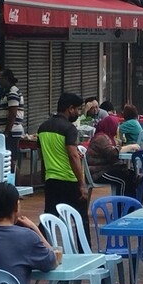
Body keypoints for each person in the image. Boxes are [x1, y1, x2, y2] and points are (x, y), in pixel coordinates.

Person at [37, 92, 90, 246]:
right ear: (70, 108)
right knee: (81, 219)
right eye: (77, 109)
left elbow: (42, 154)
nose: (78, 113)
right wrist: (82, 184)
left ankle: (37, 246)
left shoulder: (43, 127)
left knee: (49, 218)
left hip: (51, 181)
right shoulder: (69, 128)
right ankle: (84, 252)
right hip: (69, 180)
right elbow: (73, 156)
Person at [87, 115, 140, 198]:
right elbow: (112, 153)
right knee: (123, 180)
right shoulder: (101, 138)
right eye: (117, 125)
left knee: (131, 175)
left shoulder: (107, 137)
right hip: (99, 172)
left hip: (106, 168)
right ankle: (122, 205)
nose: (118, 128)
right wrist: (130, 147)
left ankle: (131, 204)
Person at [0, 68, 25, 171]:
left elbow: (12, 114)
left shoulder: (12, 93)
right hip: (10, 131)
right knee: (10, 160)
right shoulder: (8, 92)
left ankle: (16, 179)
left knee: (12, 161)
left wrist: (6, 132)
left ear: (6, 78)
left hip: (12, 132)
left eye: (0, 78)